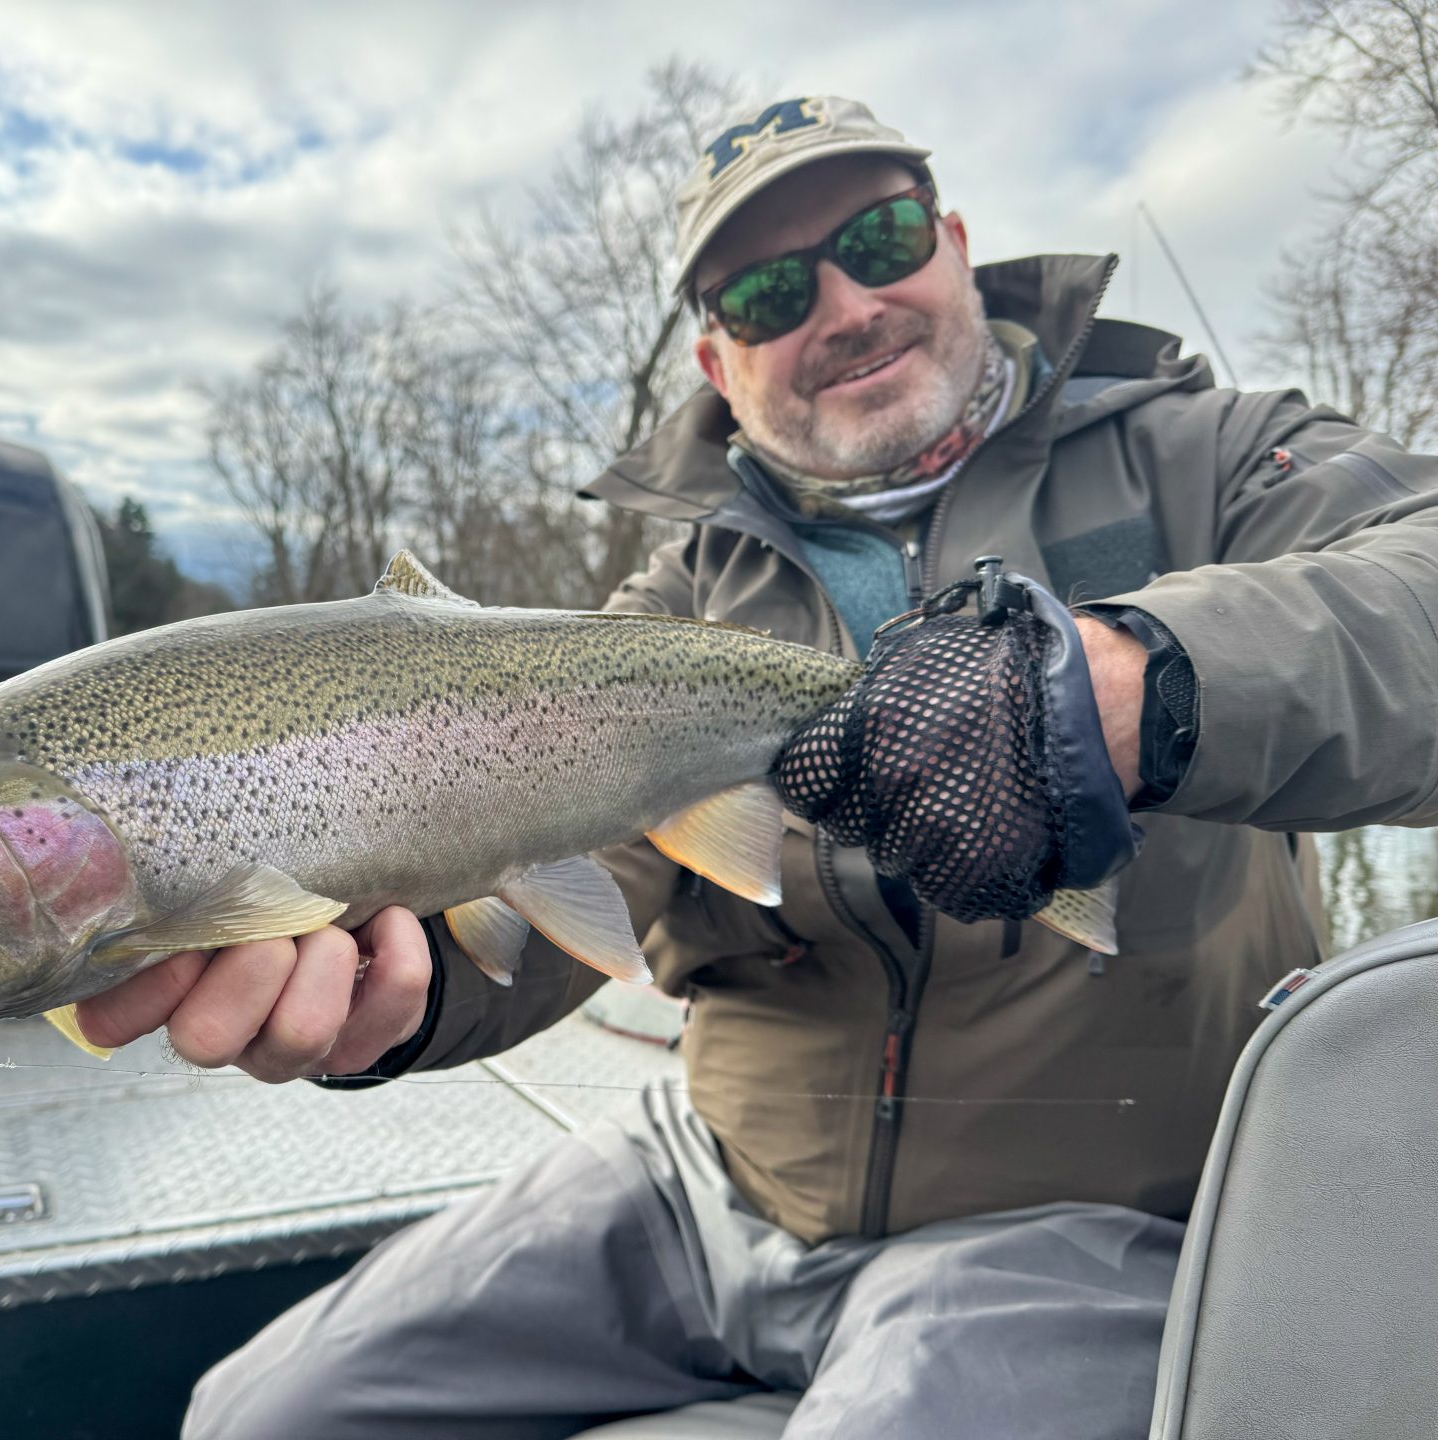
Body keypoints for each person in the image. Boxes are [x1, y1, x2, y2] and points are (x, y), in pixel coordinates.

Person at [79, 96, 1438, 1438]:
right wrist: (401, 981)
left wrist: (1142, 685)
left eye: (883, 235)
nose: (843, 305)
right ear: (719, 366)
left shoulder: (1204, 457)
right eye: (771, 290)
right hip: (706, 1191)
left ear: (957, 243)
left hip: (1080, 1224)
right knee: (259, 1414)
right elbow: (575, 899)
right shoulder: (671, 604)